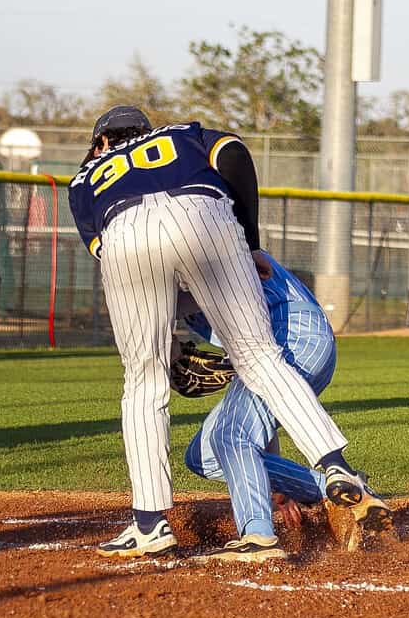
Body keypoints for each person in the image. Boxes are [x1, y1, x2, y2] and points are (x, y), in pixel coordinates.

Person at [68, 105, 389, 559]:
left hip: (124, 228)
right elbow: (234, 152)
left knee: (144, 382)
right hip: (206, 212)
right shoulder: (181, 135)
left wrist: (162, 348)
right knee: (260, 358)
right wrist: (249, 240)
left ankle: (149, 523)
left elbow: (115, 255)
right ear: (146, 132)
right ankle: (334, 467)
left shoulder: (86, 177)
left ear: (101, 143)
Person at [175, 252, 392, 561]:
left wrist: (169, 354)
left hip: (290, 334)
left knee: (229, 435)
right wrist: (280, 487)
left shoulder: (178, 241)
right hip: (295, 338)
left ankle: (257, 537)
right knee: (206, 455)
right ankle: (338, 493)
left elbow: (167, 307)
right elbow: (261, 414)